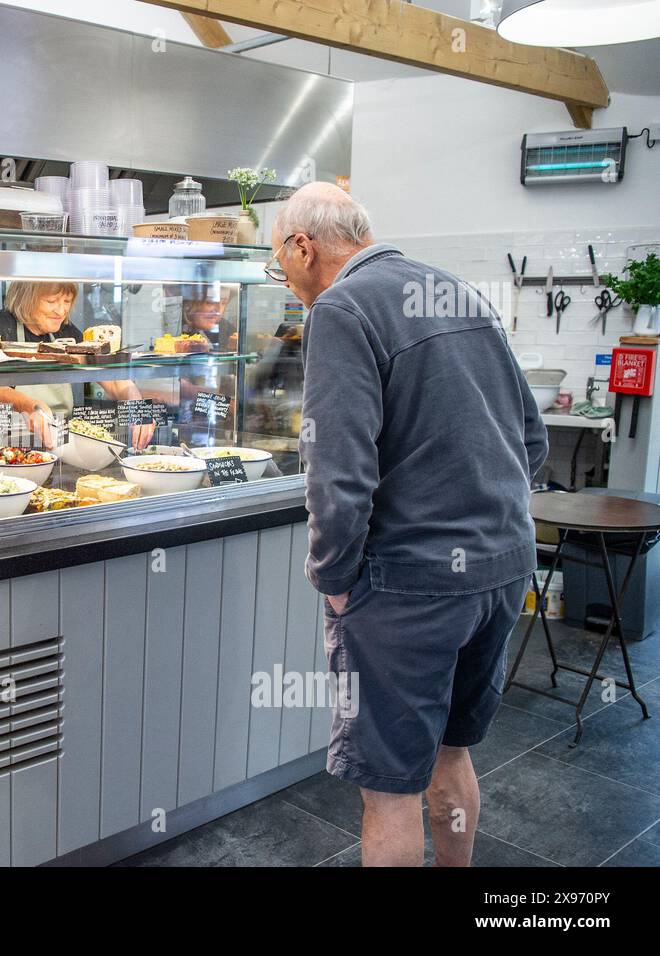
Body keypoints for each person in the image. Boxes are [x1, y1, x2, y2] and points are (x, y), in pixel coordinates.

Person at [273, 182, 547, 867]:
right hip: (503, 568)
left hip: (410, 590)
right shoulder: (456, 290)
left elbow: (337, 471)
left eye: (277, 258)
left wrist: (335, 581)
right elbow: (531, 439)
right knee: (450, 756)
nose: (280, 273)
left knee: (389, 792)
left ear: (304, 246)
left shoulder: (342, 308)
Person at [0, 282, 153, 448]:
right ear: (27, 299)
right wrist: (26, 405)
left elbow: (112, 380)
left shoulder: (67, 333)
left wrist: (136, 406)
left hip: (59, 446)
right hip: (3, 445)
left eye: (67, 302)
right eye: (52, 301)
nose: (61, 311)